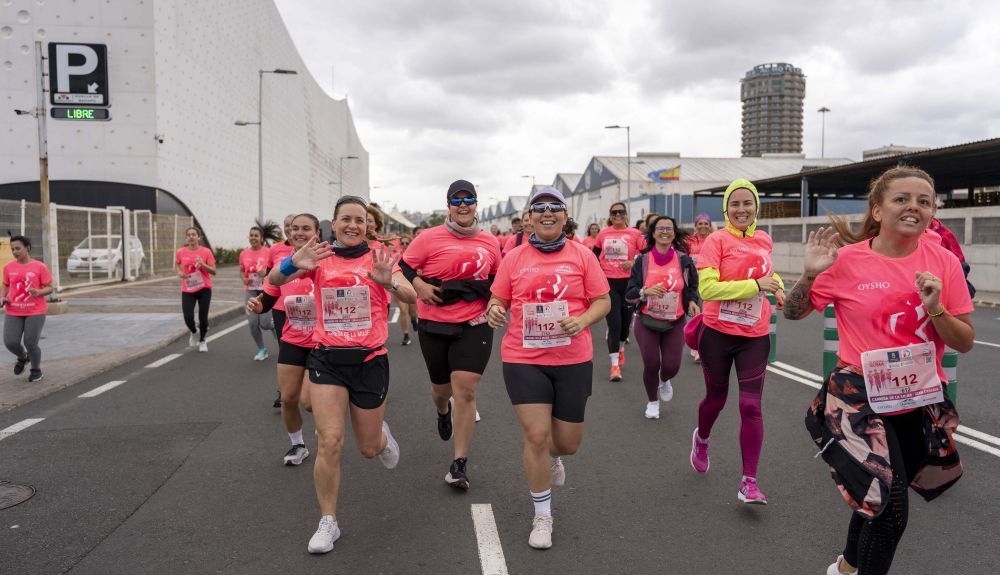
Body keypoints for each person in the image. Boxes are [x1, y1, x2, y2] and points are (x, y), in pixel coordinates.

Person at [781, 167, 974, 575]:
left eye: (924, 201)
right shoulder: (847, 261)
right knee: (890, 510)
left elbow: (964, 341)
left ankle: (846, 567)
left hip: (916, 401)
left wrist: (936, 306)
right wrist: (811, 272)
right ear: (878, 208)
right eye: (902, 199)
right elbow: (793, 312)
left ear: (933, 210)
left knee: (879, 495)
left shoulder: (944, 263)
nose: (913, 208)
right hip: (857, 402)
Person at [268, 195, 418, 555]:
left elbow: (411, 294)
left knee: (367, 449)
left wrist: (389, 282)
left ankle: (382, 438)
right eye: (345, 219)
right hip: (327, 360)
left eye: (360, 220)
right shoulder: (318, 257)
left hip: (369, 362)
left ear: (368, 226)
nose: (353, 225)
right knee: (330, 440)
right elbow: (273, 278)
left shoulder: (379, 258)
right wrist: (291, 263)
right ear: (332, 225)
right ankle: (328, 522)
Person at [487, 186, 610, 549]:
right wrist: (495, 309)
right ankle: (543, 515)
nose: (546, 213)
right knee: (536, 436)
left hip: (572, 358)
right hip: (523, 357)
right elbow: (499, 297)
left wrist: (583, 319)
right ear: (530, 217)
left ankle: (555, 458)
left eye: (554, 208)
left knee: (567, 444)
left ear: (564, 215)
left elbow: (602, 301)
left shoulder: (583, 255)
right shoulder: (514, 258)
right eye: (539, 208)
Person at [400, 179, 502, 490]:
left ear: (475, 204)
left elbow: (499, 281)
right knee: (442, 391)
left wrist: (497, 303)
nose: (462, 205)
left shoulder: (490, 242)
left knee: (467, 390)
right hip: (435, 323)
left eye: (468, 199)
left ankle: (459, 463)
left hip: (475, 322)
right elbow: (403, 267)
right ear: (448, 205)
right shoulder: (427, 238)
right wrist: (418, 286)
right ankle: (442, 411)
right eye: (456, 200)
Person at [690, 178, 784, 505]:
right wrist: (756, 286)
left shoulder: (764, 239)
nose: (742, 209)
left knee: (750, 406)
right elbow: (708, 290)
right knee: (716, 399)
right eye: (735, 204)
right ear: (726, 209)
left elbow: (768, 273)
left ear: (756, 207)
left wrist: (779, 287)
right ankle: (702, 438)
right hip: (717, 332)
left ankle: (749, 482)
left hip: (754, 335)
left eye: (747, 203)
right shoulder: (715, 240)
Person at [247, 214, 321, 466]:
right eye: (295, 228)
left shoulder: (328, 258)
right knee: (289, 398)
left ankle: (327, 426)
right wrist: (258, 306)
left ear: (317, 232)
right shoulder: (283, 262)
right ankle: (297, 445)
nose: (299, 232)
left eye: (306, 228)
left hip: (322, 339)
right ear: (289, 233)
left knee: (309, 402)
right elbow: (268, 297)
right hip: (292, 337)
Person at [625, 216, 700, 419]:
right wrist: (645, 291)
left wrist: (692, 302)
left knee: (671, 366)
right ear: (653, 233)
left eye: (669, 228)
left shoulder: (683, 260)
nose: (664, 232)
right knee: (651, 364)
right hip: (647, 320)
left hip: (674, 322)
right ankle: (652, 402)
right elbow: (630, 292)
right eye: (660, 228)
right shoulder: (642, 261)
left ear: (674, 234)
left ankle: (665, 380)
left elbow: (692, 286)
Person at [593, 202, 645, 381]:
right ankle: (614, 365)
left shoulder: (635, 234)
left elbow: (647, 254)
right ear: (610, 215)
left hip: (629, 283)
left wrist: (634, 261)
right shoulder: (604, 233)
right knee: (614, 324)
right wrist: (597, 271)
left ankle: (621, 347)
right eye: (614, 212)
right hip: (609, 283)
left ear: (625, 215)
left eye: (621, 212)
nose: (617, 215)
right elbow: (594, 254)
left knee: (625, 325)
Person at [2, 236, 53, 382]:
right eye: (12, 249)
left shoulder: (39, 267)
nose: (15, 252)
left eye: (18, 248)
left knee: (30, 342)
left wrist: (39, 292)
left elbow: (50, 287)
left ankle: (36, 370)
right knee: (10, 342)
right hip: (13, 310)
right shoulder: (8, 267)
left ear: (27, 248)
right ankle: (23, 357)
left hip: (35, 311)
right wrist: (2, 297)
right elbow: (5, 284)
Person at [266, 214, 297, 407]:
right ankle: (284, 391)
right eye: (287, 226)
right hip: (280, 307)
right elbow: (269, 276)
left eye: (294, 226)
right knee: (284, 348)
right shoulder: (275, 249)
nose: (290, 230)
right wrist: (264, 296)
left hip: (307, 308)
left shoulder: (312, 248)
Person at [239, 221, 280, 361]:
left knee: (265, 323)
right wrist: (243, 279)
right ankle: (262, 349)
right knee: (252, 323)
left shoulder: (269, 252)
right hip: (250, 291)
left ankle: (273, 327)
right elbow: (241, 270)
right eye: (251, 235)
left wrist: (266, 274)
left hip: (265, 292)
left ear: (261, 238)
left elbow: (276, 271)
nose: (253, 237)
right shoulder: (244, 253)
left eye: (256, 235)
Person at [175, 227, 216, 352]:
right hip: (188, 289)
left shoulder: (206, 252)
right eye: (189, 235)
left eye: (194, 234)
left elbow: (213, 271)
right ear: (186, 238)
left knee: (203, 317)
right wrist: (180, 272)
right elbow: (177, 264)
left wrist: (203, 264)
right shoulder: (181, 251)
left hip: (204, 288)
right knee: (188, 317)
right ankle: (194, 331)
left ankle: (203, 340)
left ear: (198, 237)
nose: (191, 237)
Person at [686, 214, 715, 362]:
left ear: (710, 225)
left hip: (710, 282)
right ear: (695, 225)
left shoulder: (715, 239)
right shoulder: (688, 241)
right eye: (700, 223)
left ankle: (701, 345)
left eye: (706, 223)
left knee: (707, 314)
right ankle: (695, 345)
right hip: (692, 283)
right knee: (696, 314)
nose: (703, 226)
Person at [397, 234, 419, 346]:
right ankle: (406, 335)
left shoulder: (414, 255)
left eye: (407, 243)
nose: (405, 245)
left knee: (413, 311)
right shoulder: (396, 256)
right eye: (402, 243)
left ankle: (414, 319)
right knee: (403, 310)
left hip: (412, 286)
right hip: (399, 287)